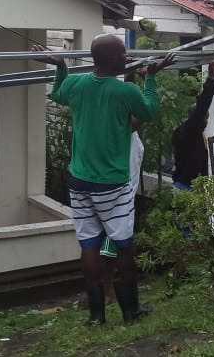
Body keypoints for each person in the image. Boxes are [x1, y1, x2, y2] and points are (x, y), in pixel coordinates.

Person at [35, 37, 176, 324]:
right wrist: (150, 78)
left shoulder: (77, 84)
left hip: (79, 180)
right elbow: (149, 110)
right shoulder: (124, 91)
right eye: (122, 53)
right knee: (123, 245)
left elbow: (58, 94)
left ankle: (97, 315)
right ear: (110, 59)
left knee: (89, 243)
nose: (126, 56)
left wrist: (60, 66)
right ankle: (130, 311)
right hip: (112, 183)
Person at [97, 113, 144, 304]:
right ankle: (109, 292)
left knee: (112, 246)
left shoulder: (130, 135)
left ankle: (109, 291)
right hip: (117, 195)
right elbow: (139, 115)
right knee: (113, 247)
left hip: (124, 194)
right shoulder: (121, 130)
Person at [171, 59, 214, 190]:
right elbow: (202, 107)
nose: (207, 122)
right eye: (205, 119)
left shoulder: (184, 131)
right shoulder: (190, 131)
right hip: (186, 186)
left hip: (186, 184)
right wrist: (211, 78)